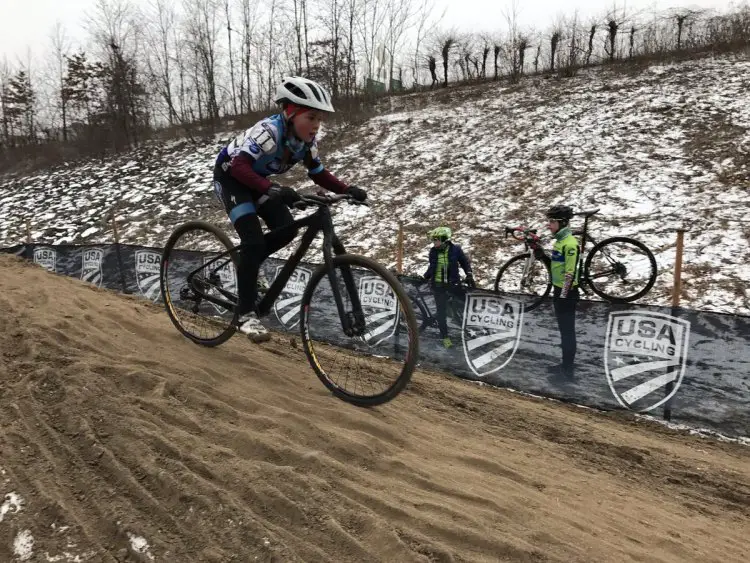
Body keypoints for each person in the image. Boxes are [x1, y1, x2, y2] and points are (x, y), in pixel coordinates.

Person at [212, 76, 367, 340]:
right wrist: (272, 189)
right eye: (311, 117)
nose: (317, 125)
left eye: (320, 119)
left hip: (257, 181)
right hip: (231, 178)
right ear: (290, 113)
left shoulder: (306, 143)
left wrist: (345, 189)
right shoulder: (269, 131)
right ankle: (245, 313)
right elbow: (239, 167)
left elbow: (318, 174)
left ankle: (248, 267)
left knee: (286, 231)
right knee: (253, 240)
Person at [420, 226, 475, 349]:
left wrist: (469, 274)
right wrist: (425, 277)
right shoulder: (433, 252)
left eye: (436, 240)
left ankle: (469, 329)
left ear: (445, 239)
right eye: (433, 240)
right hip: (438, 286)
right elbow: (432, 267)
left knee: (463, 306)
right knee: (441, 313)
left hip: (453, 284)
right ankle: (445, 337)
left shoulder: (456, 249)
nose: (434, 243)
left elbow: (464, 263)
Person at [546, 204, 580, 377]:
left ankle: (568, 369)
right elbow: (554, 267)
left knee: (568, 332)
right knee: (563, 331)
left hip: (567, 293)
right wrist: (540, 254)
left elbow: (570, 273)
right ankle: (565, 364)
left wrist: (563, 295)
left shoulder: (570, 244)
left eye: (552, 221)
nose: (548, 225)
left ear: (563, 223)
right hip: (559, 291)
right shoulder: (559, 242)